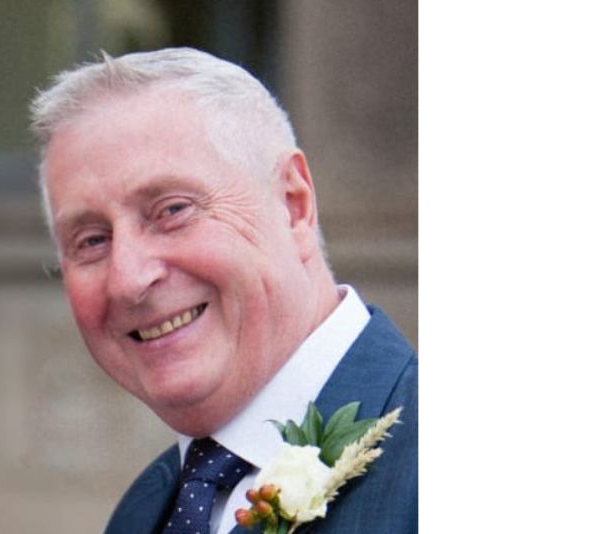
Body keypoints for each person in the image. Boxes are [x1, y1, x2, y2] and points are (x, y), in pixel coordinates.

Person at [30, 48, 417, 534]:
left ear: (293, 205)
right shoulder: (140, 513)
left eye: (172, 210)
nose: (128, 279)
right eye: (91, 240)